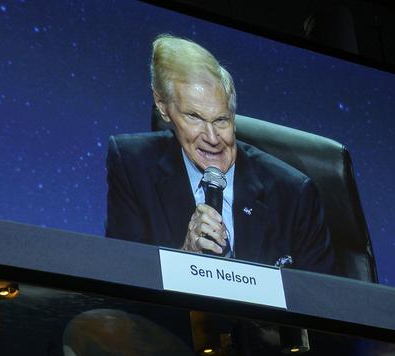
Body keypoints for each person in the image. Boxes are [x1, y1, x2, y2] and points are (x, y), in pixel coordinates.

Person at [105, 35, 334, 277]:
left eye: (221, 120)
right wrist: (185, 258)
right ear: (162, 106)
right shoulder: (132, 165)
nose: (212, 138)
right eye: (194, 117)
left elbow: (321, 301)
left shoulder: (295, 194)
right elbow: (124, 279)